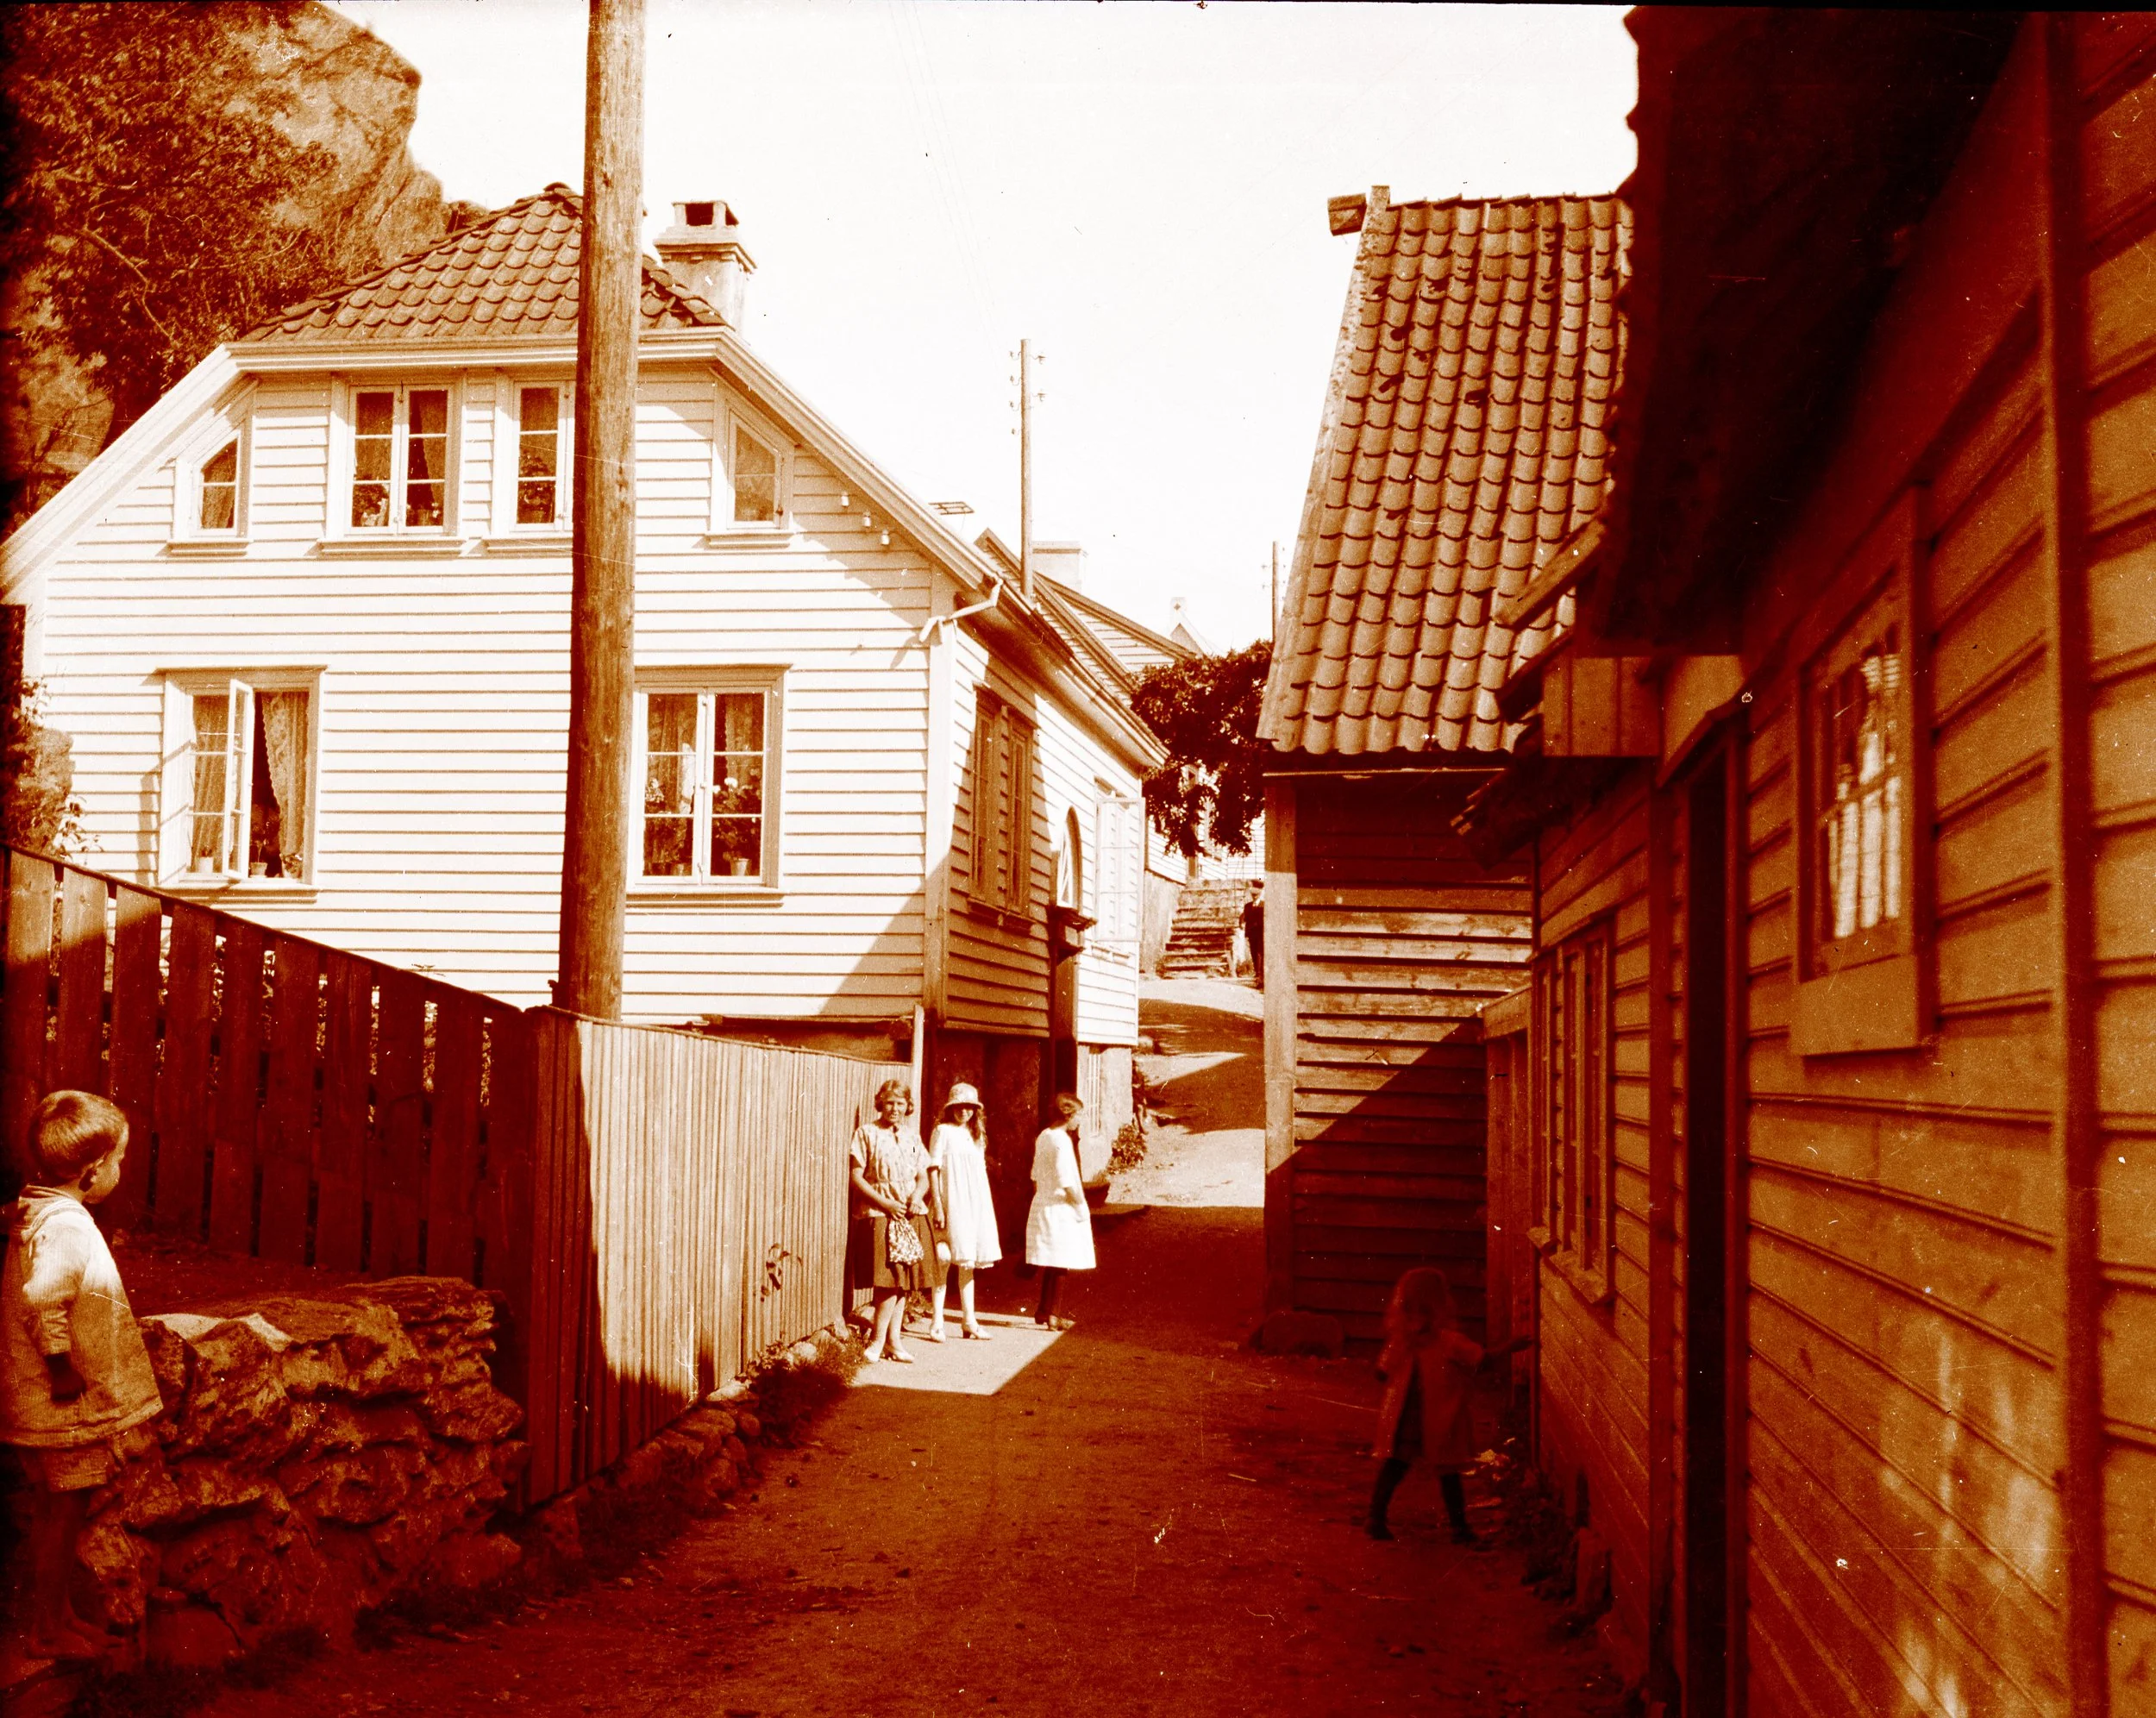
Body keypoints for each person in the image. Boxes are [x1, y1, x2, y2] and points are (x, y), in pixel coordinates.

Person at [2, 1091, 163, 1660]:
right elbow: (43, 1298)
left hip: (52, 1401)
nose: (121, 1171)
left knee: (60, 1510)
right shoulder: (68, 1226)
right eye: (118, 1161)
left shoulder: (43, 1208)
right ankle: (48, 1628)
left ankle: (61, 1614)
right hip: (58, 1400)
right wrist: (61, 1366)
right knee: (62, 1515)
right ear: (94, 1171)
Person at [1367, 1266, 1532, 1545]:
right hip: (1421, 1420)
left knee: (1427, 1470)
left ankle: (1380, 1518)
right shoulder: (1427, 1343)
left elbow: (1479, 1360)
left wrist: (1507, 1348)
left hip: (1418, 1419)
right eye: (1412, 1312)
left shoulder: (1435, 1343)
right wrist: (1508, 1348)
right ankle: (1447, 1527)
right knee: (1430, 1470)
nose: (1417, 1320)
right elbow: (1482, 1361)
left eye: (1421, 1313)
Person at [847, 1080, 935, 1364]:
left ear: (908, 1106)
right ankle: (878, 1341)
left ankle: (893, 1342)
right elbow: (857, 1176)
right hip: (880, 1214)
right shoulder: (867, 1133)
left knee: (904, 1281)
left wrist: (917, 1196)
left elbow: (922, 1175)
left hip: (910, 1214)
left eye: (900, 1103)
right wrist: (885, 1204)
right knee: (887, 1281)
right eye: (889, 1103)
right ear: (880, 1104)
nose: (894, 1108)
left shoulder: (911, 1137)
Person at [924, 1084, 1001, 1343]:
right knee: (944, 1258)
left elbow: (977, 1174)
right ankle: (937, 1322)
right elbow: (932, 1168)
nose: (964, 1112)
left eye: (969, 1108)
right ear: (951, 1109)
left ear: (976, 1111)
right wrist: (938, 1204)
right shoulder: (942, 1131)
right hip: (949, 1202)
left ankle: (969, 1321)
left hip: (973, 1204)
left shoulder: (976, 1135)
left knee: (967, 1262)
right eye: (959, 1107)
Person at [1025, 1092, 1094, 1330]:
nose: (1079, 1121)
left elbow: (1034, 1176)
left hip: (1043, 1203)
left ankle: (1043, 1311)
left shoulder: (1044, 1136)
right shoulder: (1062, 1141)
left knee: (1052, 1259)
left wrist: (1043, 1195)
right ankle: (1054, 1314)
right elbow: (1067, 1181)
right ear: (1069, 1115)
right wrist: (1079, 1205)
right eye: (1079, 1115)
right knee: (1062, 1260)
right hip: (1061, 1205)